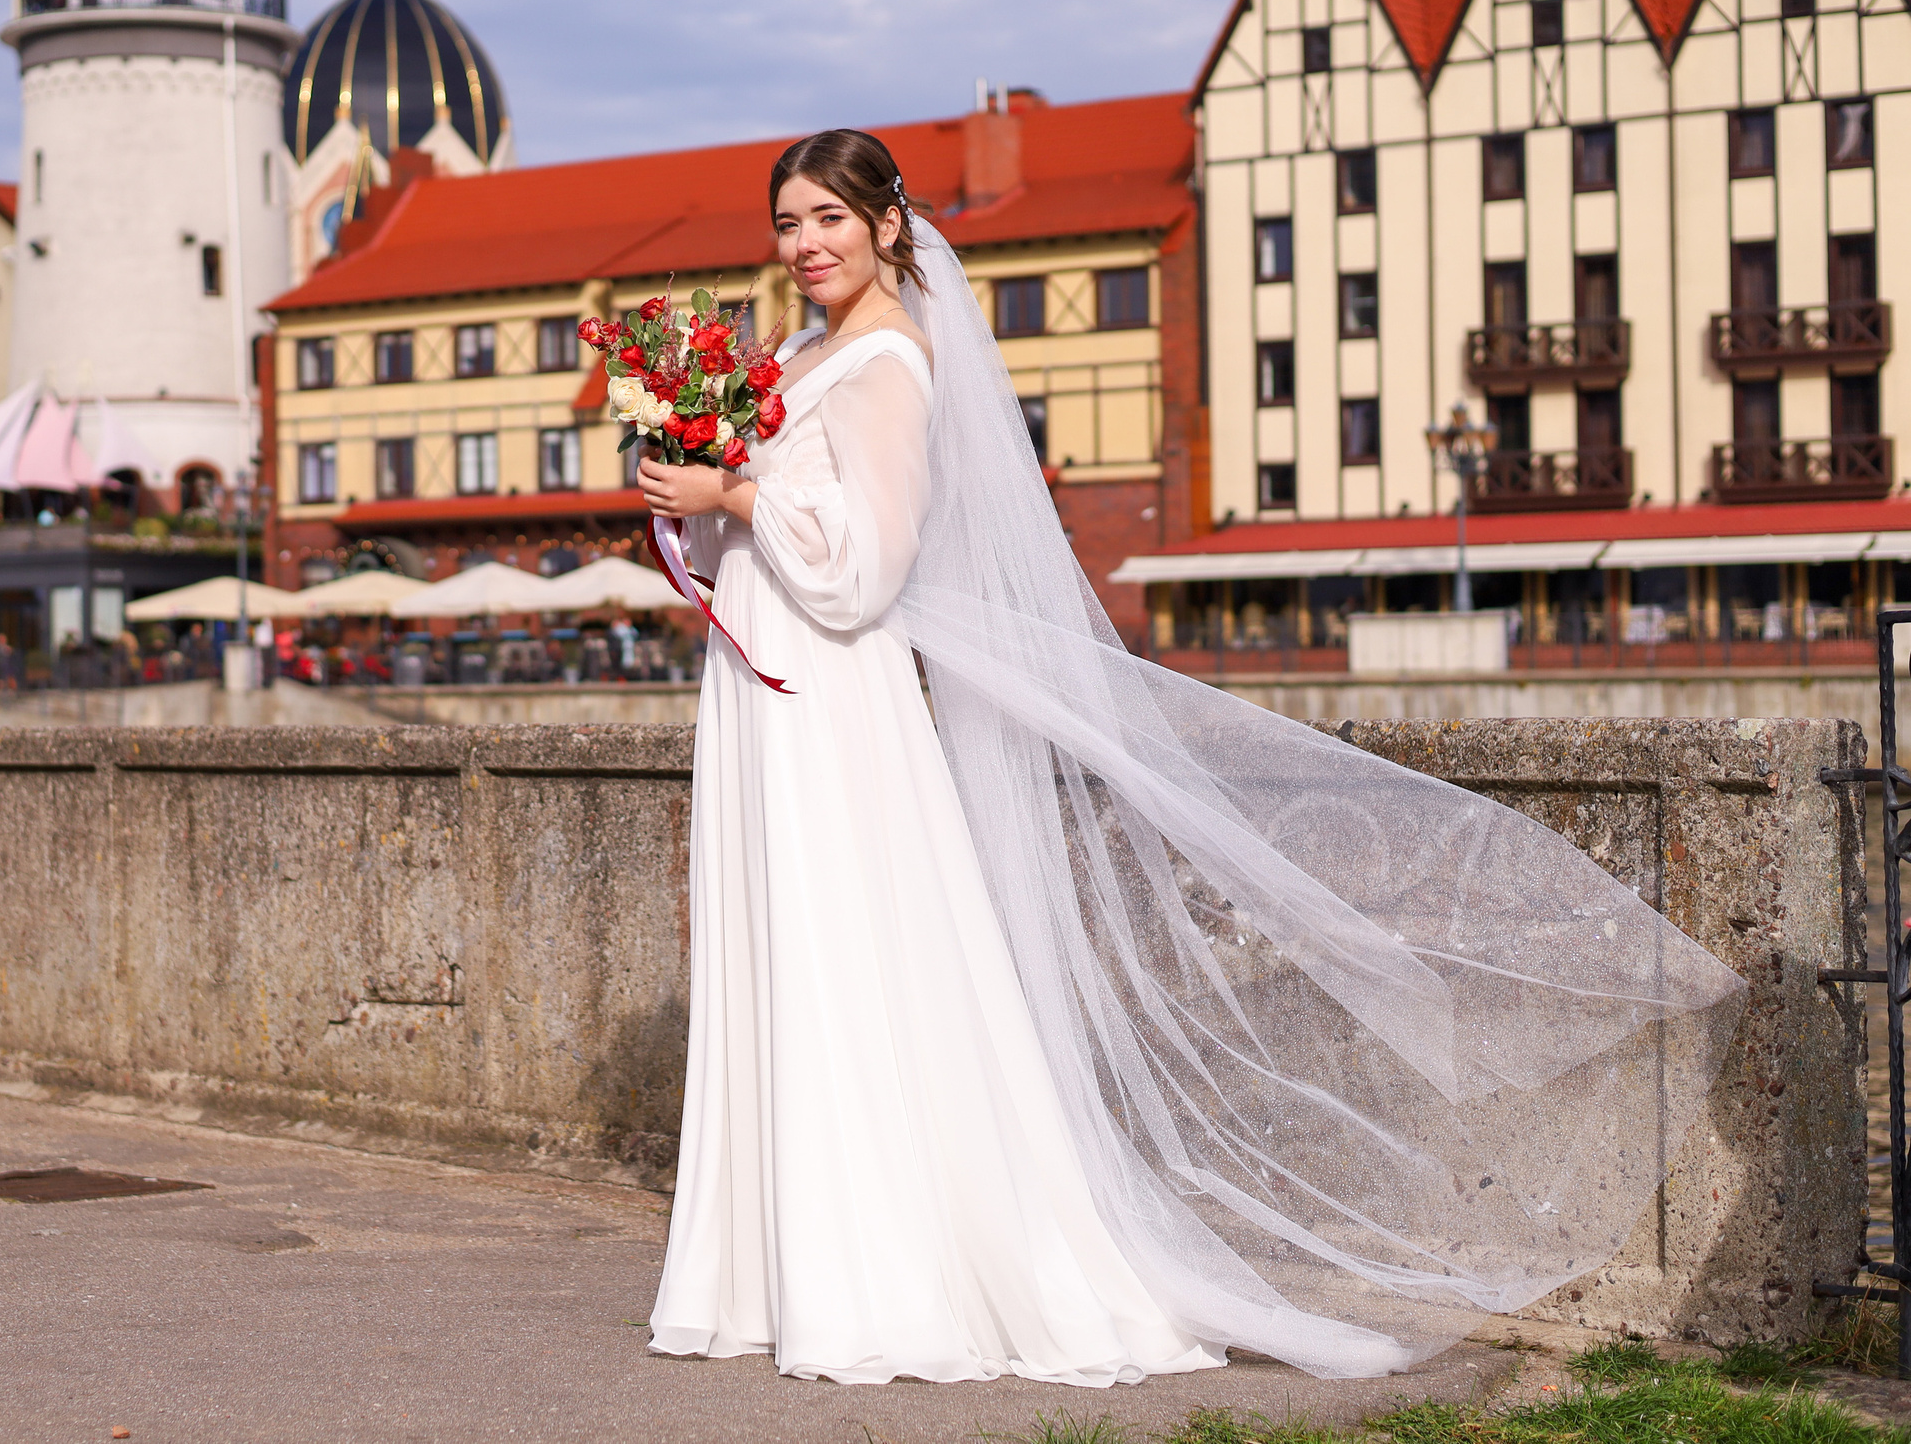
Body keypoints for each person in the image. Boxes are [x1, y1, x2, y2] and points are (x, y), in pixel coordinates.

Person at [632, 130, 1743, 1386]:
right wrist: (697, 483)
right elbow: (769, 541)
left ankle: (879, 1264)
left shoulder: (887, 360)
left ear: (889, 226)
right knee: (789, 951)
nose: (805, 243)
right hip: (762, 682)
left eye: (830, 216)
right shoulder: (788, 360)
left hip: (831, 697)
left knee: (849, 955)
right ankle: (782, 1263)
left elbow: (869, 566)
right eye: (787, 223)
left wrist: (732, 500)